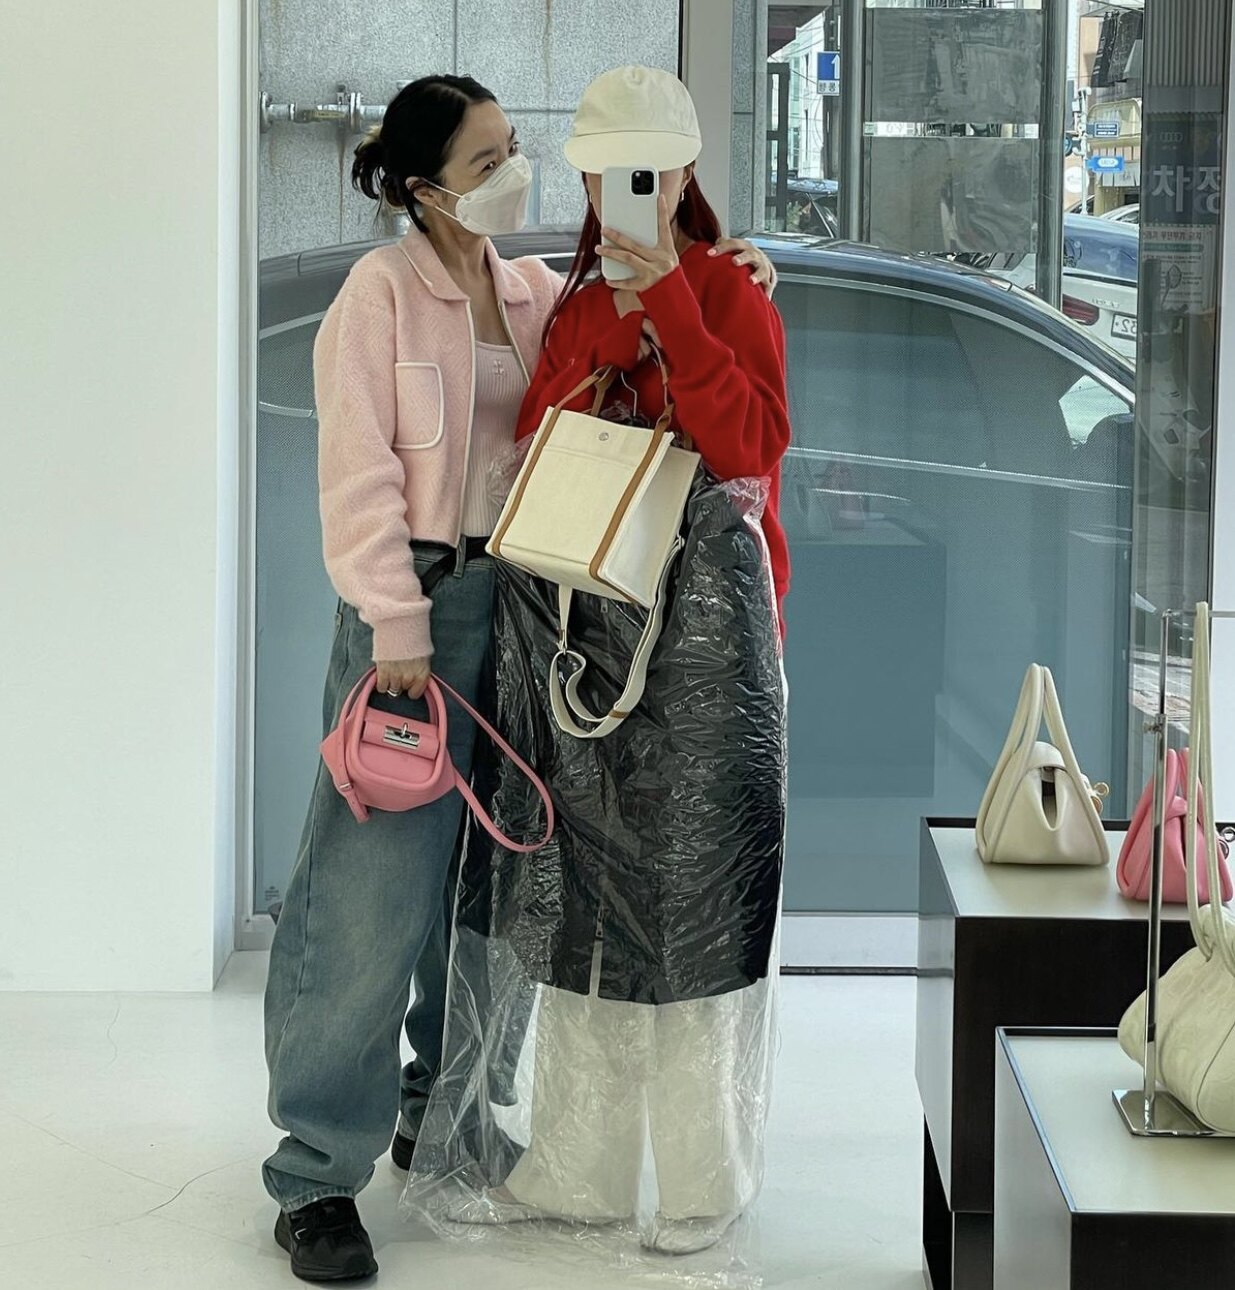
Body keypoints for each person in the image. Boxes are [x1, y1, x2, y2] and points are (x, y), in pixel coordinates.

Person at [261, 71, 776, 1284]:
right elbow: (356, 476)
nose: (515, 174)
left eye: (514, 150)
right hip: (417, 614)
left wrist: (728, 276)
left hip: (536, 611)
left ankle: (442, 1111)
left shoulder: (535, 290)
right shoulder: (378, 296)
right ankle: (315, 1173)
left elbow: (632, 379)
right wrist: (393, 621)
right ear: (425, 185)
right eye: (486, 161)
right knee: (368, 896)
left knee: (494, 893)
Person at [403, 65, 790, 1261]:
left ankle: (701, 1176)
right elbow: (537, 444)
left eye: (643, 172)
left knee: (693, 903)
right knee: (580, 896)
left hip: (707, 648)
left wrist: (672, 296)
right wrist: (619, 325)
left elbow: (748, 444)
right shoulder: (570, 302)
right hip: (580, 631)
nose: (618, 191)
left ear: (681, 174)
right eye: (600, 174)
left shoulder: (728, 291)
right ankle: (577, 1168)